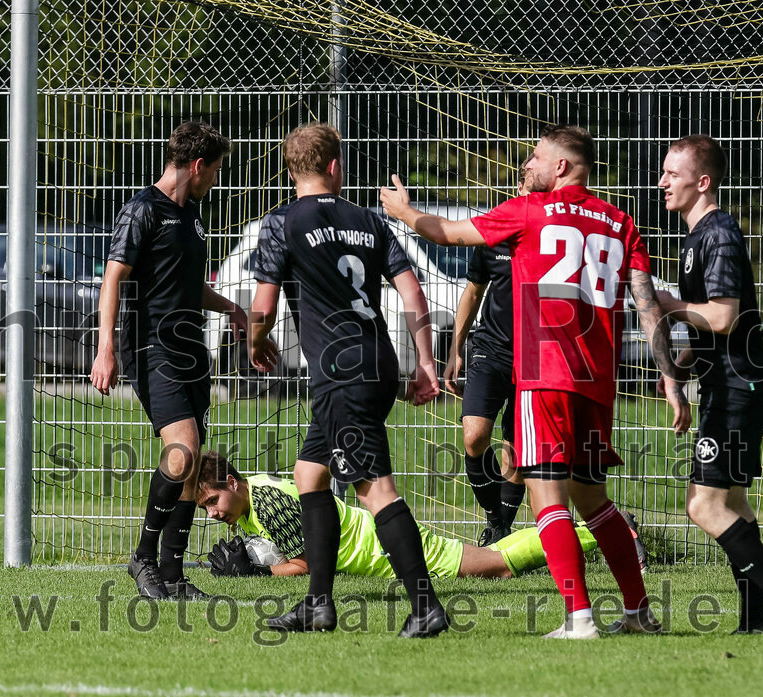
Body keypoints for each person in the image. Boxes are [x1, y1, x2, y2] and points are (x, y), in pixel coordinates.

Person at [381, 124, 691, 639]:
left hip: (545, 374)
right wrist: (669, 378)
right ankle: (637, 613)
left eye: (535, 158)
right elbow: (647, 304)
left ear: (562, 168)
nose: (527, 166)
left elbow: (445, 233)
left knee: (547, 497)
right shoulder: (621, 223)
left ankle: (579, 618)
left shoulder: (530, 211)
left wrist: (405, 213)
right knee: (593, 499)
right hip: (597, 383)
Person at [247, 122, 449, 638]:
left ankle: (426, 607)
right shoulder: (370, 221)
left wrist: (253, 340)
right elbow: (413, 294)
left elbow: (263, 306)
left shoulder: (282, 223)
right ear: (335, 166)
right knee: (309, 475)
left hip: (341, 374)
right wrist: (425, 361)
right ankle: (317, 604)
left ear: (291, 170)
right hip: (377, 364)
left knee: (374, 488)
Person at [655, 135, 763, 635]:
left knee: (703, 505)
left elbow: (723, 317)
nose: (661, 182)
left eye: (672, 174)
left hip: (737, 386)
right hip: (733, 381)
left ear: (702, 182)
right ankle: (753, 617)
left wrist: (664, 303)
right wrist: (678, 371)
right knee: (735, 503)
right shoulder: (696, 236)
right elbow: (713, 327)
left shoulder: (718, 234)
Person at [90, 121, 248, 601]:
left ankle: (174, 576)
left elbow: (186, 284)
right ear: (197, 166)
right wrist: (106, 347)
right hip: (152, 348)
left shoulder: (193, 216)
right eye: (216, 171)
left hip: (190, 349)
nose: (216, 180)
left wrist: (230, 307)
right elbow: (113, 278)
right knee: (181, 452)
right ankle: (142, 555)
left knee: (193, 456)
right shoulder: (142, 210)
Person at [194, 451, 599, 580]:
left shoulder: (267, 503)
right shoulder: (250, 500)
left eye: (212, 501)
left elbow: (310, 565)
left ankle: (597, 531)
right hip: (379, 548)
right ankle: (593, 531)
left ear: (231, 482)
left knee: (497, 567)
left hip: (386, 548)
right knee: (491, 559)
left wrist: (258, 574)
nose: (212, 513)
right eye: (204, 509)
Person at [443, 159, 528, 545]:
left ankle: (501, 531)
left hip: (535, 358)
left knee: (517, 449)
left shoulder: (552, 233)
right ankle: (494, 515)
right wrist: (456, 349)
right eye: (525, 181)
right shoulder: (494, 229)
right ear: (519, 185)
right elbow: (473, 291)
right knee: (474, 437)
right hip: (490, 349)